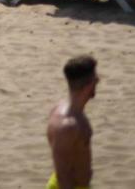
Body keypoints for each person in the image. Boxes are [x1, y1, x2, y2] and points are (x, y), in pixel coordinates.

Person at [47, 56, 98, 189]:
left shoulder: (70, 111)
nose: (98, 80)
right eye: (96, 79)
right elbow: (62, 174)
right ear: (89, 85)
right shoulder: (67, 126)